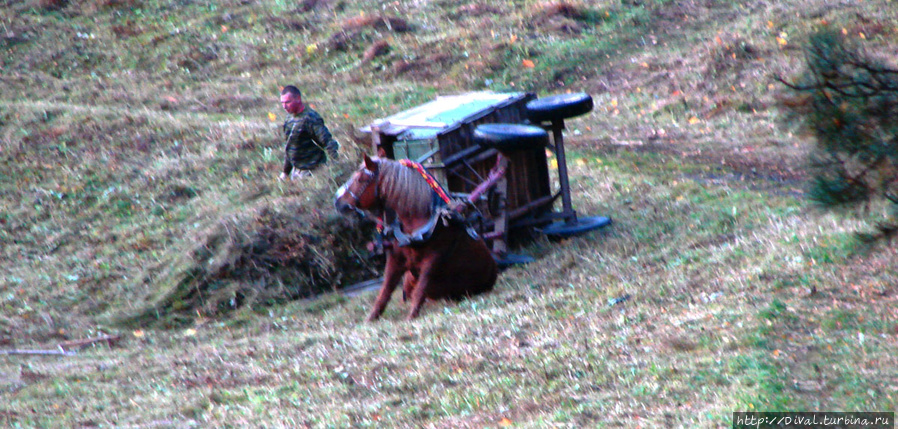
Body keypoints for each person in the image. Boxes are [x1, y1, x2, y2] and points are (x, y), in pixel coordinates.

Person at [278, 85, 340, 180]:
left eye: (288, 102)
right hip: (296, 172)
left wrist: (335, 167)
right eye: (282, 103)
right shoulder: (289, 119)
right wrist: (285, 172)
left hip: (312, 172)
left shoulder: (311, 118)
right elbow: (290, 147)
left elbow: (328, 142)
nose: (284, 106)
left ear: (298, 99)